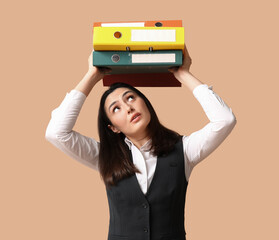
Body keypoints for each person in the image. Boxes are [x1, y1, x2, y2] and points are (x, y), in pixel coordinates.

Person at [45, 46, 236, 240]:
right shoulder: (103, 156)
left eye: (130, 98)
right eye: (116, 108)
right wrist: (92, 75)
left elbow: (225, 120)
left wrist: (184, 74)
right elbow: (56, 132)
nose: (128, 107)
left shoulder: (185, 150)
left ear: (145, 104)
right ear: (113, 128)